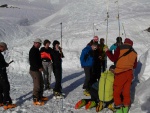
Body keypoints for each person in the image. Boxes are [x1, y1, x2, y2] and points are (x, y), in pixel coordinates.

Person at [104, 38, 137, 113]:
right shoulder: (134, 52)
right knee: (126, 91)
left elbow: (113, 58)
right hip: (129, 74)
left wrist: (107, 51)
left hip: (120, 73)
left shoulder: (120, 48)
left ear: (124, 42)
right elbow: (135, 66)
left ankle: (119, 108)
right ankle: (125, 107)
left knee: (117, 91)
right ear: (131, 44)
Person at [29, 38, 48, 106]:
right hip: (34, 70)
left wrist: (41, 66)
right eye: (39, 44)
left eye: (40, 44)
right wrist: (38, 67)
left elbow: (38, 60)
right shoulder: (32, 51)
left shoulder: (36, 50)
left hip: (38, 70)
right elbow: (32, 62)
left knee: (41, 83)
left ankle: (40, 96)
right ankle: (35, 99)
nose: (39, 45)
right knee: (37, 85)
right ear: (35, 43)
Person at [0, 42, 16, 110]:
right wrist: (4, 66)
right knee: (6, 87)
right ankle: (7, 103)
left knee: (0, 88)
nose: (4, 50)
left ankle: (0, 101)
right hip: (1, 74)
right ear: (1, 47)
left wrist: (5, 64)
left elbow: (1, 63)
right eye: (4, 48)